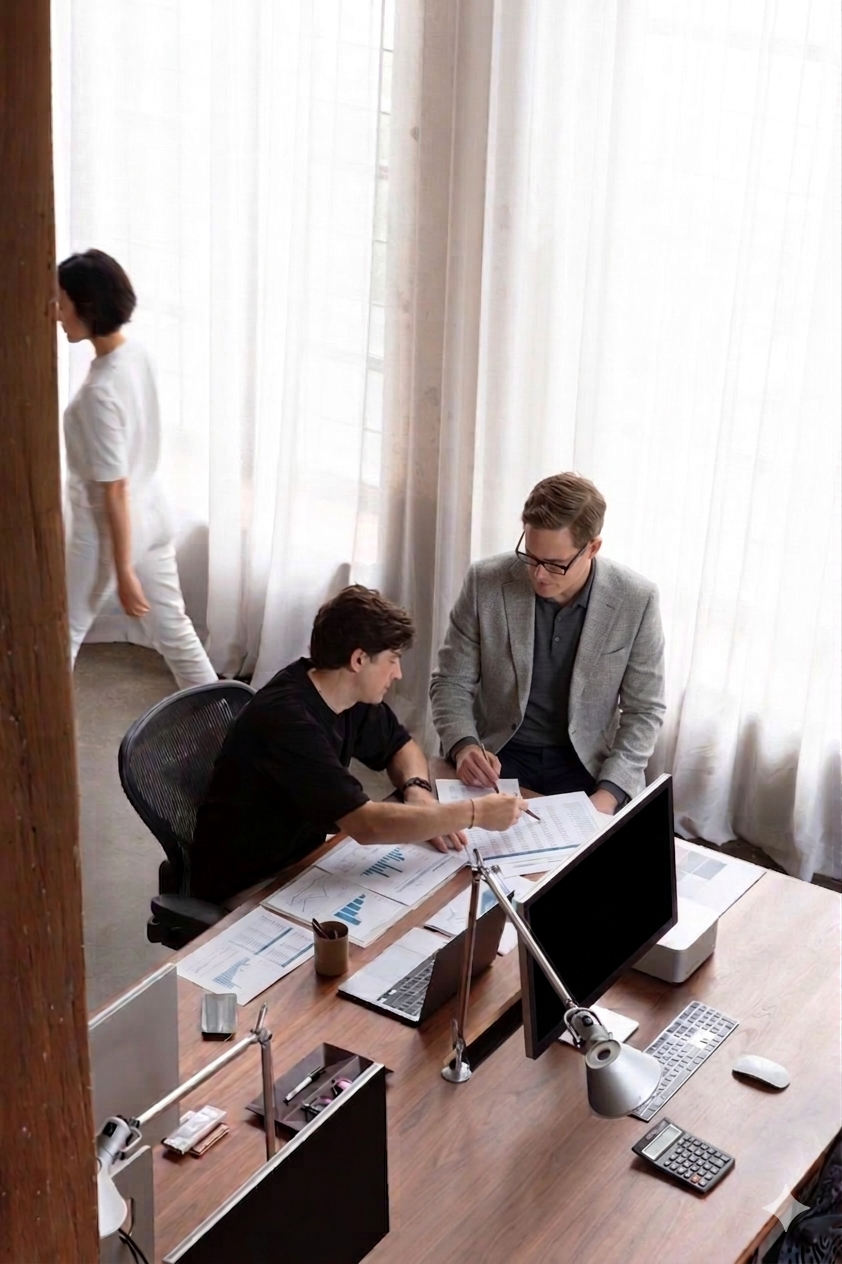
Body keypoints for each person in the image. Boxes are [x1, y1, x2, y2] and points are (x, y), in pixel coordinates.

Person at [191, 585, 524, 903]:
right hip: (250, 885)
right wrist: (474, 813)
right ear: (359, 660)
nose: (398, 674)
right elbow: (366, 824)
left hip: (304, 860)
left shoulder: (344, 693)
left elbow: (401, 746)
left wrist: (418, 792)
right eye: (393, 659)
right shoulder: (288, 722)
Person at [430, 472, 666, 814]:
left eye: (555, 565)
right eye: (530, 556)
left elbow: (644, 710)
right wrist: (465, 746)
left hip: (587, 765)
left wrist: (607, 795)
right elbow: (451, 682)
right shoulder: (486, 581)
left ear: (592, 548)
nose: (538, 575)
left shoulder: (636, 599)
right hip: (498, 755)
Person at [56, 249, 217, 690]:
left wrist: (123, 568)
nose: (56, 315)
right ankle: (226, 719)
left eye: (61, 304)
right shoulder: (137, 354)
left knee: (62, 636)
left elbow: (114, 489)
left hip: (106, 534)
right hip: (151, 514)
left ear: (87, 306)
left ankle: (38, 731)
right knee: (176, 632)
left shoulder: (99, 393)